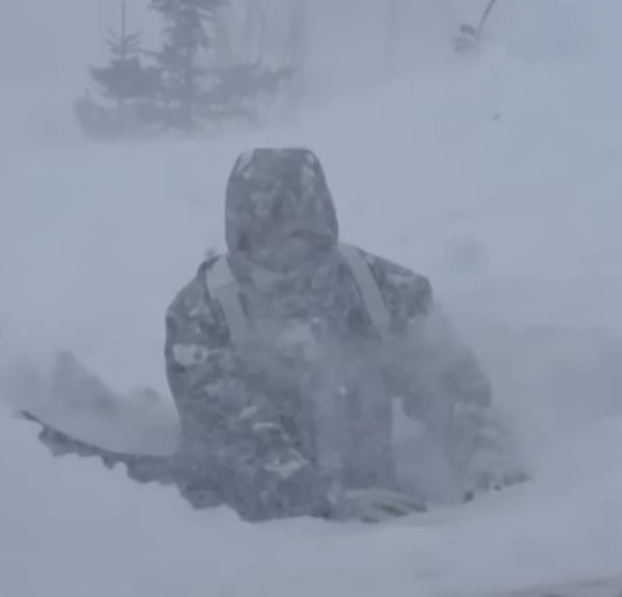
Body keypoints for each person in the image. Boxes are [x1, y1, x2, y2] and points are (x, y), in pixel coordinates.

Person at [163, 147, 526, 524]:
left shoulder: (379, 290)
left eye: (302, 240)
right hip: (254, 542)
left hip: (382, 514)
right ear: (241, 238)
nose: (288, 259)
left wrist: (483, 452)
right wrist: (320, 501)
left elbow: (447, 381)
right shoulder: (201, 317)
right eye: (268, 241)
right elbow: (231, 440)